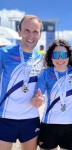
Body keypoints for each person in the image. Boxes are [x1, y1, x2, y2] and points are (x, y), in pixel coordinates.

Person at [0, 15, 43, 150]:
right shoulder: (4, 53)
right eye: (27, 30)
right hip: (5, 117)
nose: (31, 35)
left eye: (35, 31)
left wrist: (40, 99)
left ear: (40, 34)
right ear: (20, 32)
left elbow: (43, 86)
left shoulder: (42, 59)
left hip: (31, 118)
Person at [32, 39, 72, 150]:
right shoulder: (46, 73)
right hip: (49, 125)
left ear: (69, 56)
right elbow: (38, 95)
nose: (60, 59)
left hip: (70, 125)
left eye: (63, 54)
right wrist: (37, 100)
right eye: (56, 55)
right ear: (51, 56)